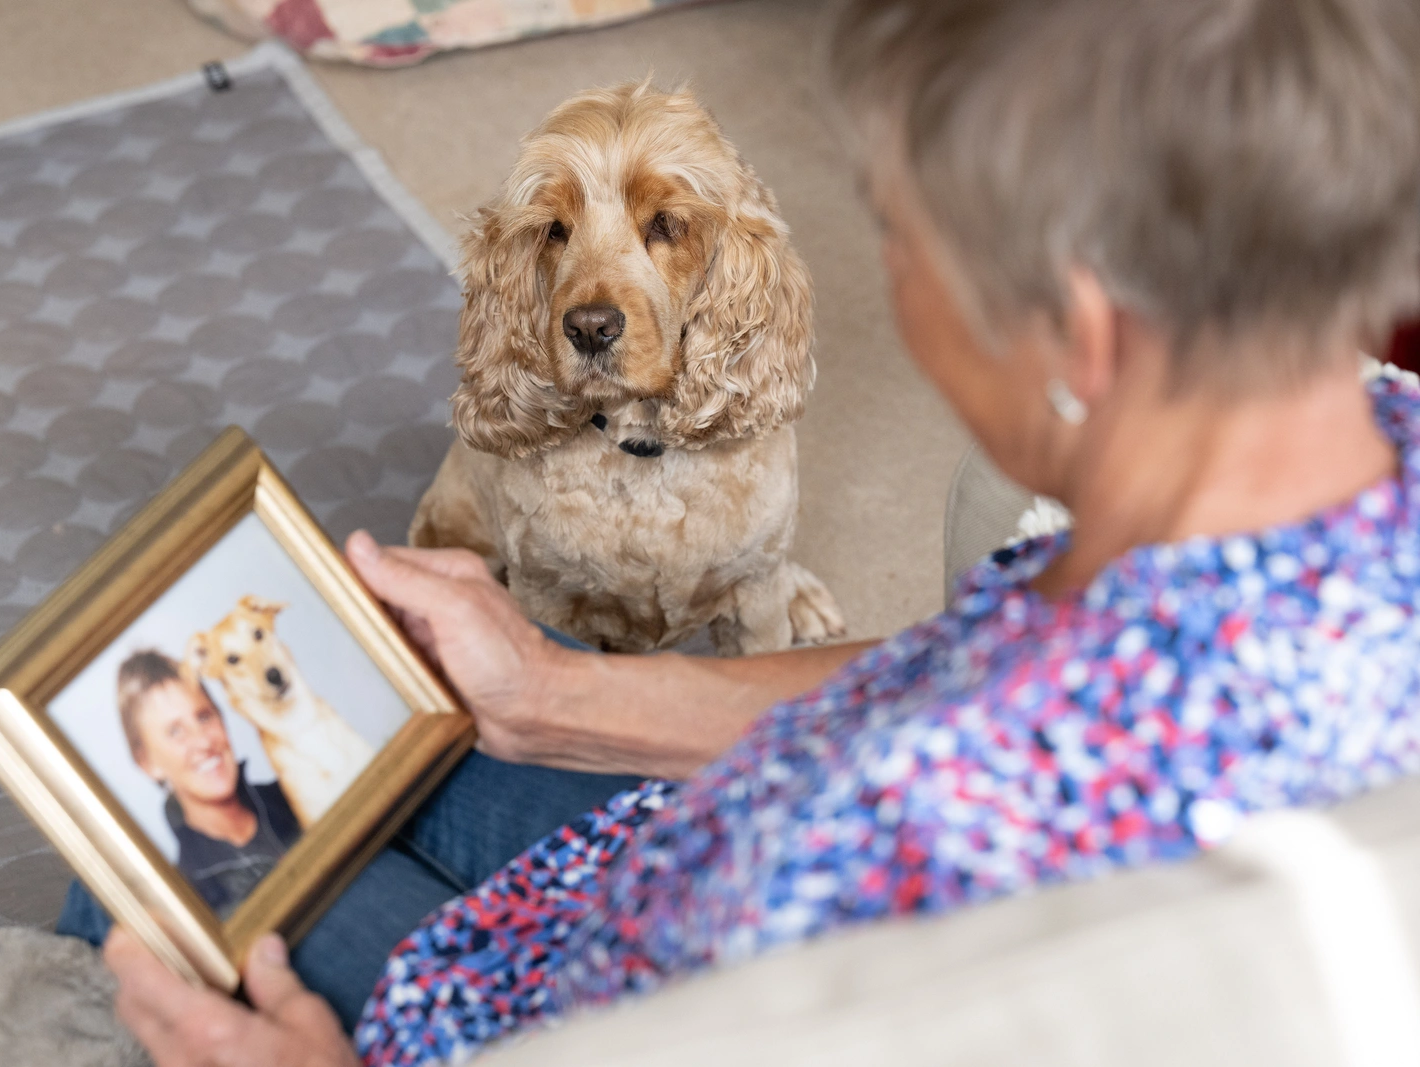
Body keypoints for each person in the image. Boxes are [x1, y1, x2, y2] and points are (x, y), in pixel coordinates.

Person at [80, 0, 1420, 1063]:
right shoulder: (1378, 459)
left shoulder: (923, 825)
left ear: (1077, 322)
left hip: (576, 1007)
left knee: (137, 851)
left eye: (901, 239)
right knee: (347, 713)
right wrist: (559, 692)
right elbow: (952, 668)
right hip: (693, 860)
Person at [113, 649, 301, 916]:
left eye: (204, 716)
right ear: (147, 763)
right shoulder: (191, 898)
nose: (203, 741)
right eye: (175, 732)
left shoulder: (297, 794)